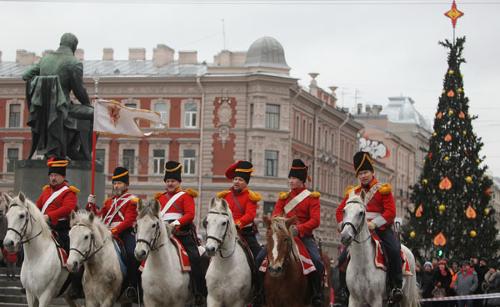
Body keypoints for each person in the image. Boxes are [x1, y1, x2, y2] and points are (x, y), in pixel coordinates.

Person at [336, 151, 403, 302]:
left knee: (393, 250)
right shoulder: (353, 193)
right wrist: (343, 224)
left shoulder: (382, 189)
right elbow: (340, 211)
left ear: (372, 172)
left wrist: (375, 223)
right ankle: (343, 291)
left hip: (380, 230)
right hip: (358, 230)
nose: (363, 176)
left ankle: (395, 286)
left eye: (366, 172)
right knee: (341, 259)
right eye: (360, 173)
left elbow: (390, 212)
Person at [22, 33, 93, 160]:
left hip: (41, 110)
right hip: (62, 109)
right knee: (94, 115)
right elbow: (79, 91)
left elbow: (26, 76)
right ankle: (82, 154)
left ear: (60, 43)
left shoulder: (45, 59)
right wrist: (87, 104)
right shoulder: (74, 63)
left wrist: (40, 86)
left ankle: (69, 148)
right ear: (74, 47)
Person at [270, 159, 324, 307]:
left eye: (294, 178)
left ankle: (317, 294)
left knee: (317, 262)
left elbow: (315, 220)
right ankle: (260, 293)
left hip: (303, 237)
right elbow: (275, 215)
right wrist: (281, 227)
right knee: (261, 259)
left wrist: (299, 229)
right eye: (290, 178)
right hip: (284, 237)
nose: (291, 181)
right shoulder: (284, 197)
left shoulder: (312, 198)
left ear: (301, 180)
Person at [154, 160, 206, 306]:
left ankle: (198, 291)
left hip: (181, 233)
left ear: (178, 182)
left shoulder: (186, 196)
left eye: (173, 181)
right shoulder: (159, 198)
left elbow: (190, 214)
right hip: (163, 234)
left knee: (195, 257)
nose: (170, 184)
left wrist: (176, 224)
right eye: (168, 181)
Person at [86, 166, 139, 300]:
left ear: (126, 184)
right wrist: (91, 205)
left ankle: (132, 286)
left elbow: (128, 221)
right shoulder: (109, 201)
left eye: (119, 183)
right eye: (114, 183)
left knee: (133, 254)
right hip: (107, 233)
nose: (116, 186)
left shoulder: (131, 200)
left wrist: (114, 231)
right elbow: (99, 216)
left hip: (124, 233)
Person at [217, 160, 262, 259]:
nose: (236, 182)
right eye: (235, 179)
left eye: (240, 180)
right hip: (225, 231)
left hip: (244, 232)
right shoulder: (226, 195)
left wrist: (238, 224)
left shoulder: (251, 196)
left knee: (259, 257)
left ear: (246, 183)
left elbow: (250, 215)